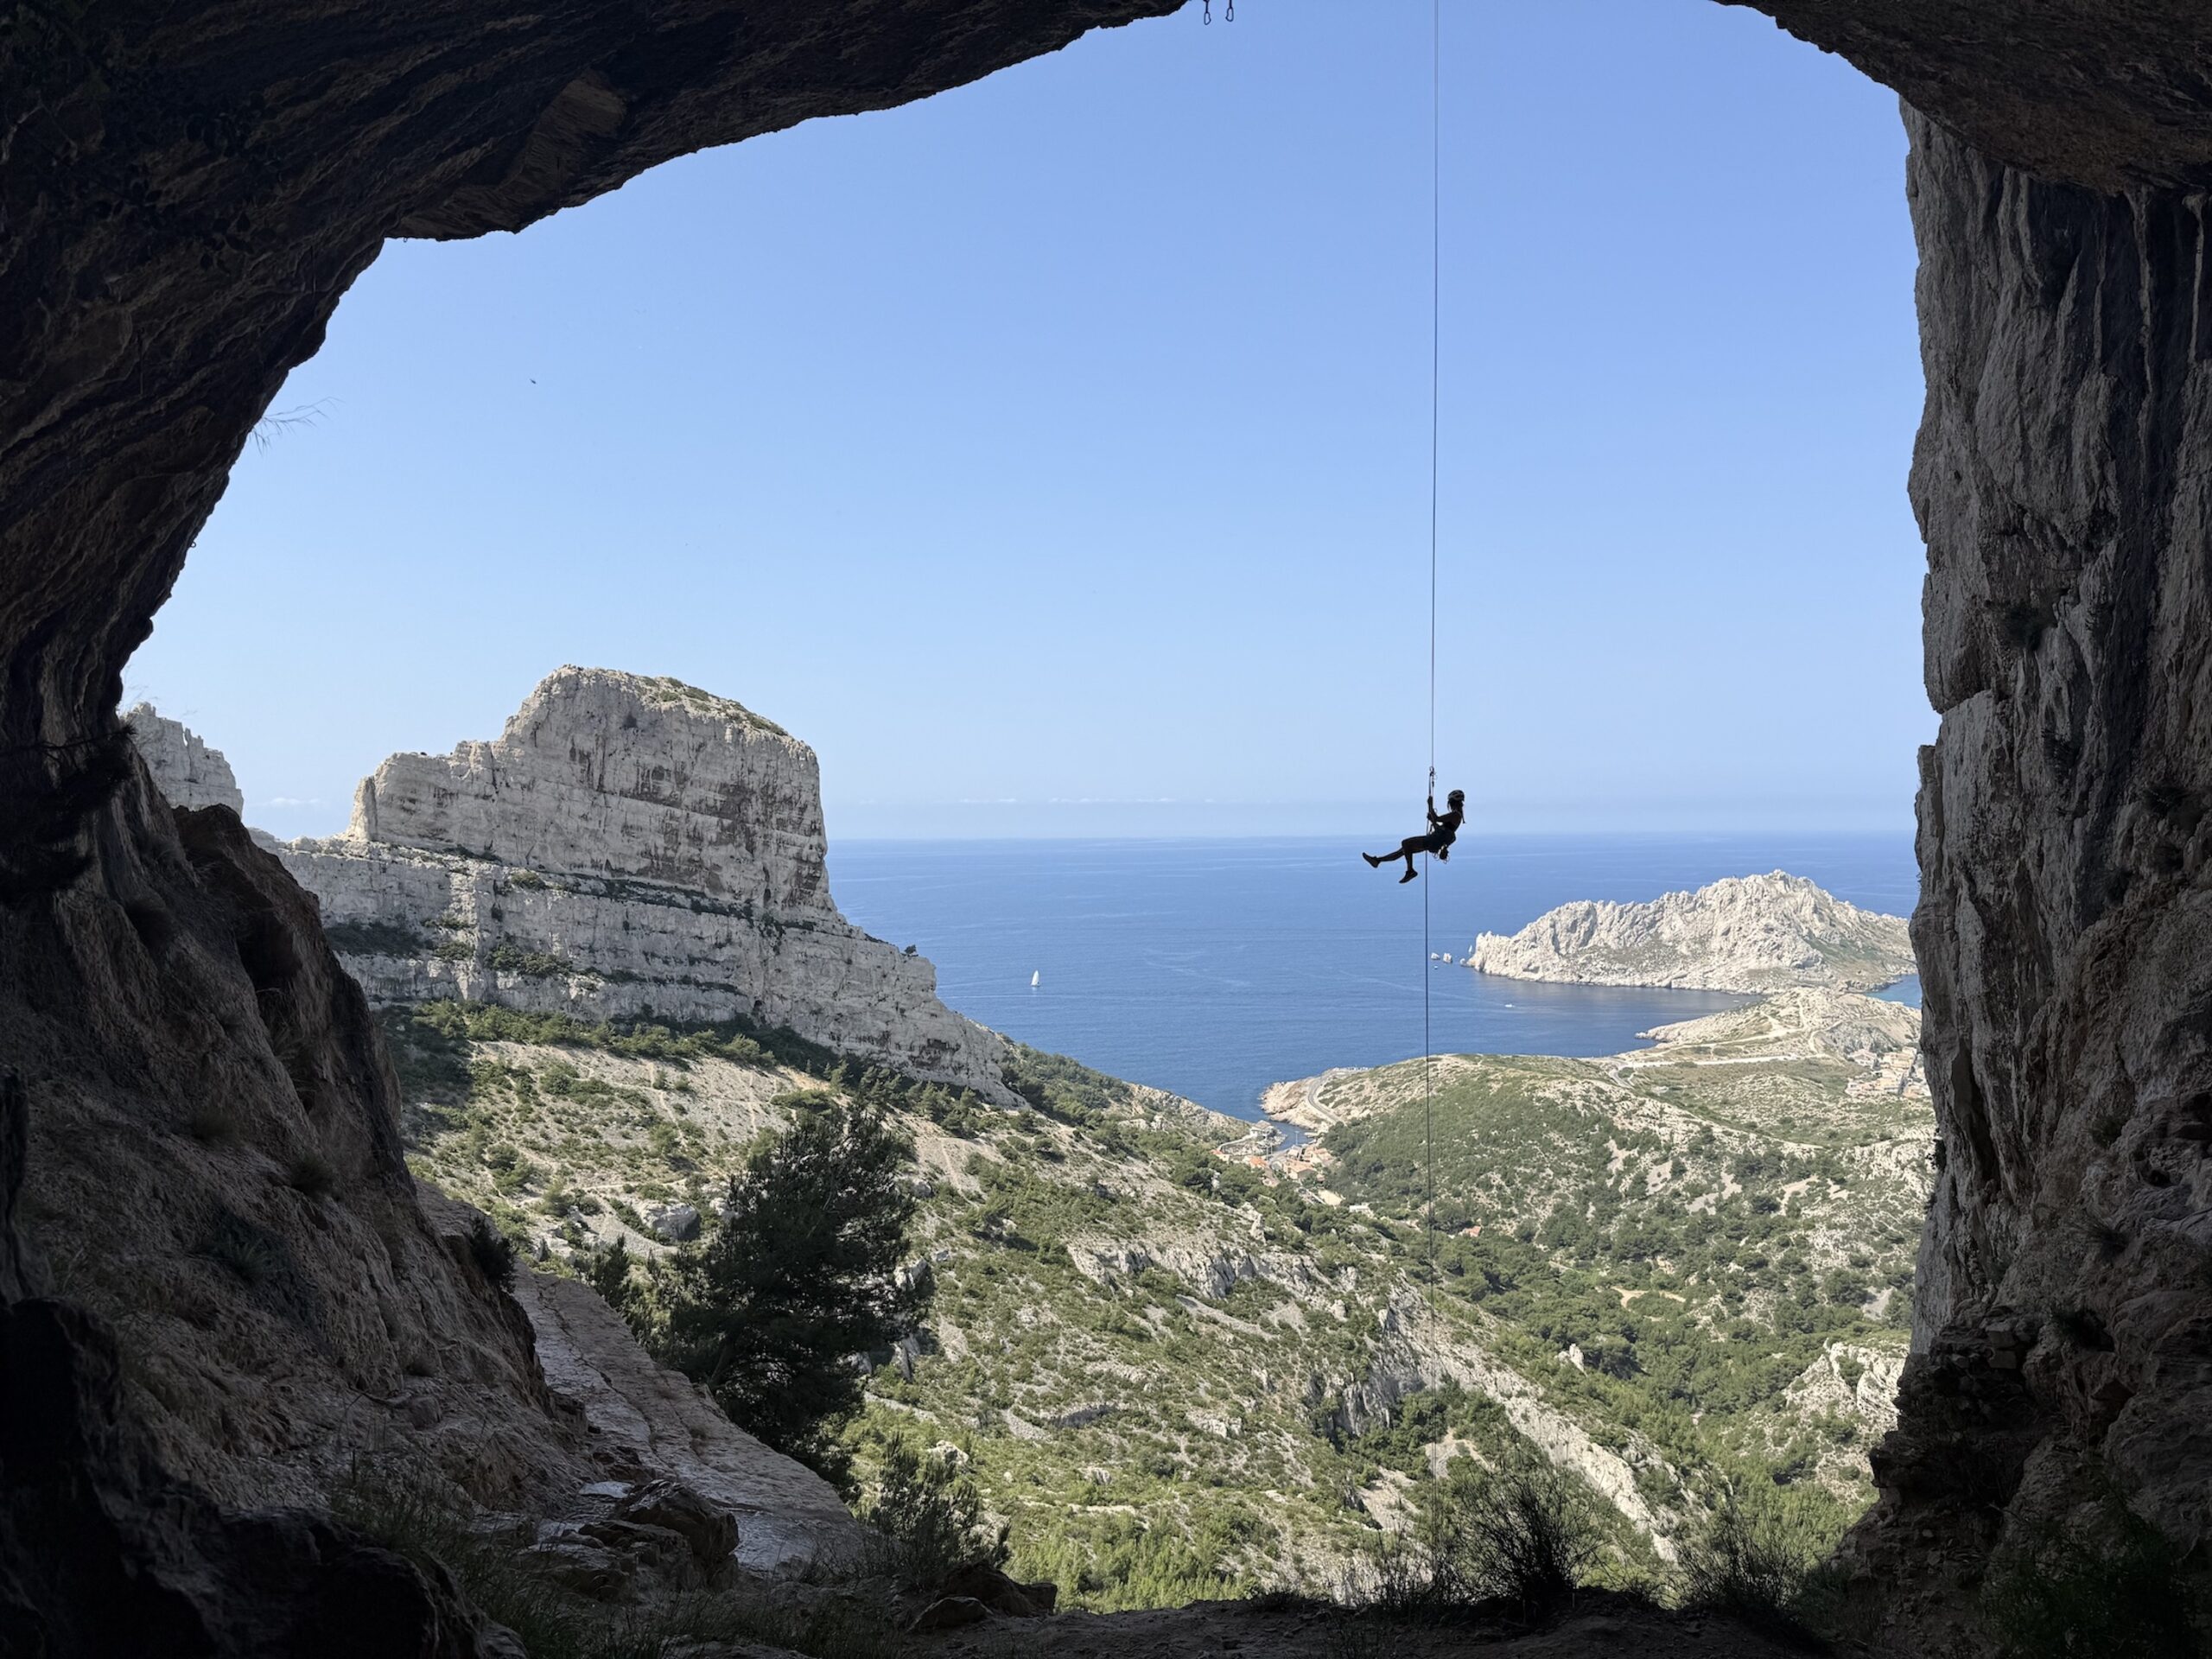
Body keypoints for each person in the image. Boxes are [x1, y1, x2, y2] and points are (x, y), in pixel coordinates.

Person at [1363, 789, 1465, 883]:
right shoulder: (1456, 816)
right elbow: (1441, 828)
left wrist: (1430, 805)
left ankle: (1410, 871)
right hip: (1435, 841)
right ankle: (1377, 861)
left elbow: (1436, 818)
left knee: (1406, 843)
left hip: (1434, 840)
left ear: (1452, 803)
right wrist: (1432, 820)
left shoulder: (1455, 815)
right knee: (1404, 850)